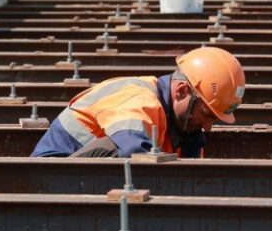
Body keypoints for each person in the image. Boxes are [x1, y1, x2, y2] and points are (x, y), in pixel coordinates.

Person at [30, 46, 245, 158]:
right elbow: (135, 156)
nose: (208, 126)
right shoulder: (140, 101)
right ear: (181, 91)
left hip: (80, 181)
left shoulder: (185, 128)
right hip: (50, 179)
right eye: (207, 115)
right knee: (122, 149)